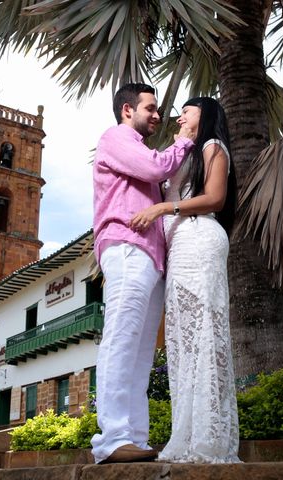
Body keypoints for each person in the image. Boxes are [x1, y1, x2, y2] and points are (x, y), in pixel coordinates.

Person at [130, 96, 240, 463]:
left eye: (186, 112)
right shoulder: (184, 152)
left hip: (201, 239)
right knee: (182, 340)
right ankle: (188, 435)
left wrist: (165, 206)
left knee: (204, 334)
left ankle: (210, 439)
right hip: (179, 248)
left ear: (204, 116)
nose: (178, 117)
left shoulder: (212, 146)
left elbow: (215, 198)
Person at [91, 83, 195, 464]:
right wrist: (183, 138)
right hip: (126, 245)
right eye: (150, 108)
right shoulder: (116, 137)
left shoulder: (137, 146)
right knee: (121, 337)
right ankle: (112, 438)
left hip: (152, 257)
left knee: (140, 354)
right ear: (126, 110)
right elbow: (155, 167)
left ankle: (133, 437)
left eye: (158, 110)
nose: (157, 115)